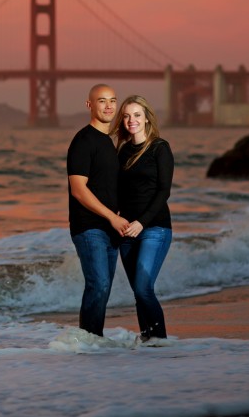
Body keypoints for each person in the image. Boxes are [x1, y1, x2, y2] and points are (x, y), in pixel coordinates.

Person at [66, 84, 129, 336]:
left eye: (113, 101)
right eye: (102, 101)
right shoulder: (83, 140)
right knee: (99, 284)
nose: (109, 106)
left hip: (110, 228)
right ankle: (88, 340)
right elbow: (78, 190)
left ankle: (93, 341)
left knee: (103, 288)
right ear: (89, 105)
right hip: (89, 226)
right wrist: (112, 217)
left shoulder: (109, 142)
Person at [111, 95, 174, 341]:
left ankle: (160, 340)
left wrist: (142, 223)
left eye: (137, 115)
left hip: (154, 228)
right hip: (127, 230)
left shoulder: (160, 148)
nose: (131, 120)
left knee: (143, 288)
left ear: (147, 118)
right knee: (138, 293)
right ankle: (148, 342)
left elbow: (163, 191)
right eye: (126, 116)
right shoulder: (123, 151)